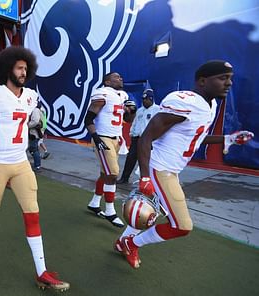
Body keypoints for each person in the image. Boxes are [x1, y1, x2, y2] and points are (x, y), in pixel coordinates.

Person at [117, 60, 254, 269]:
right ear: (202, 81)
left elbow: (196, 137)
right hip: (159, 169)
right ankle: (131, 243)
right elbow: (146, 138)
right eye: (222, 78)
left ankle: (123, 242)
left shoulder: (210, 105)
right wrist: (146, 177)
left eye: (230, 78)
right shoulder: (186, 102)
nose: (229, 83)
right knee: (181, 226)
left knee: (156, 211)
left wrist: (230, 138)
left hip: (171, 170)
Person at [0, 46, 69, 291]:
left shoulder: (30, 97)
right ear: (8, 68)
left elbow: (25, 128)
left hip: (21, 162)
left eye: (26, 68)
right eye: (19, 67)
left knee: (32, 212)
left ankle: (41, 271)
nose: (23, 72)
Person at [84, 72, 135, 227]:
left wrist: (131, 112)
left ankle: (94, 203)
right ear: (107, 81)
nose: (121, 78)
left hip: (117, 139)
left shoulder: (122, 95)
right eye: (116, 77)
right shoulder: (102, 93)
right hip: (103, 137)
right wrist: (96, 138)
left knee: (104, 173)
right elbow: (88, 118)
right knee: (112, 174)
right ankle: (110, 211)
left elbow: (127, 120)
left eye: (121, 76)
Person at [118, 89, 159, 184]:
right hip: (137, 138)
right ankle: (124, 178)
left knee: (146, 160)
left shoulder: (157, 110)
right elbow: (135, 123)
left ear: (151, 99)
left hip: (149, 140)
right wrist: (132, 133)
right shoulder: (140, 110)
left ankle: (146, 181)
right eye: (143, 99)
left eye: (146, 99)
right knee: (130, 158)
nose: (144, 101)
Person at [28, 105, 43, 171]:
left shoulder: (35, 110)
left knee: (34, 149)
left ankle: (37, 166)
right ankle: (37, 165)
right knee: (33, 149)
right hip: (34, 132)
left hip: (34, 133)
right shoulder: (35, 109)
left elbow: (35, 121)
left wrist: (26, 125)